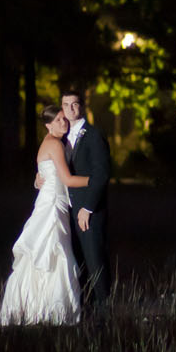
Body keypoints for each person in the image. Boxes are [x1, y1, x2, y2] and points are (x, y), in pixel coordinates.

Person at [0, 105, 90, 326]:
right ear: (47, 125)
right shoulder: (54, 144)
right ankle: (50, 311)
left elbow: (45, 174)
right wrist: (96, 181)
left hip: (55, 201)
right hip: (53, 206)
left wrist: (38, 179)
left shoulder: (55, 143)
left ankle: (39, 307)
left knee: (48, 254)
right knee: (53, 254)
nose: (62, 123)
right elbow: (65, 179)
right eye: (57, 120)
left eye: (63, 119)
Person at [60, 86, 112, 319]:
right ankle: (84, 308)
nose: (70, 109)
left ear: (81, 106)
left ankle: (105, 310)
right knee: (76, 262)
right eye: (65, 105)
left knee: (95, 259)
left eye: (75, 104)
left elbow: (102, 174)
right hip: (66, 210)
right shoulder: (60, 137)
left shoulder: (93, 135)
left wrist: (88, 208)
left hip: (88, 210)